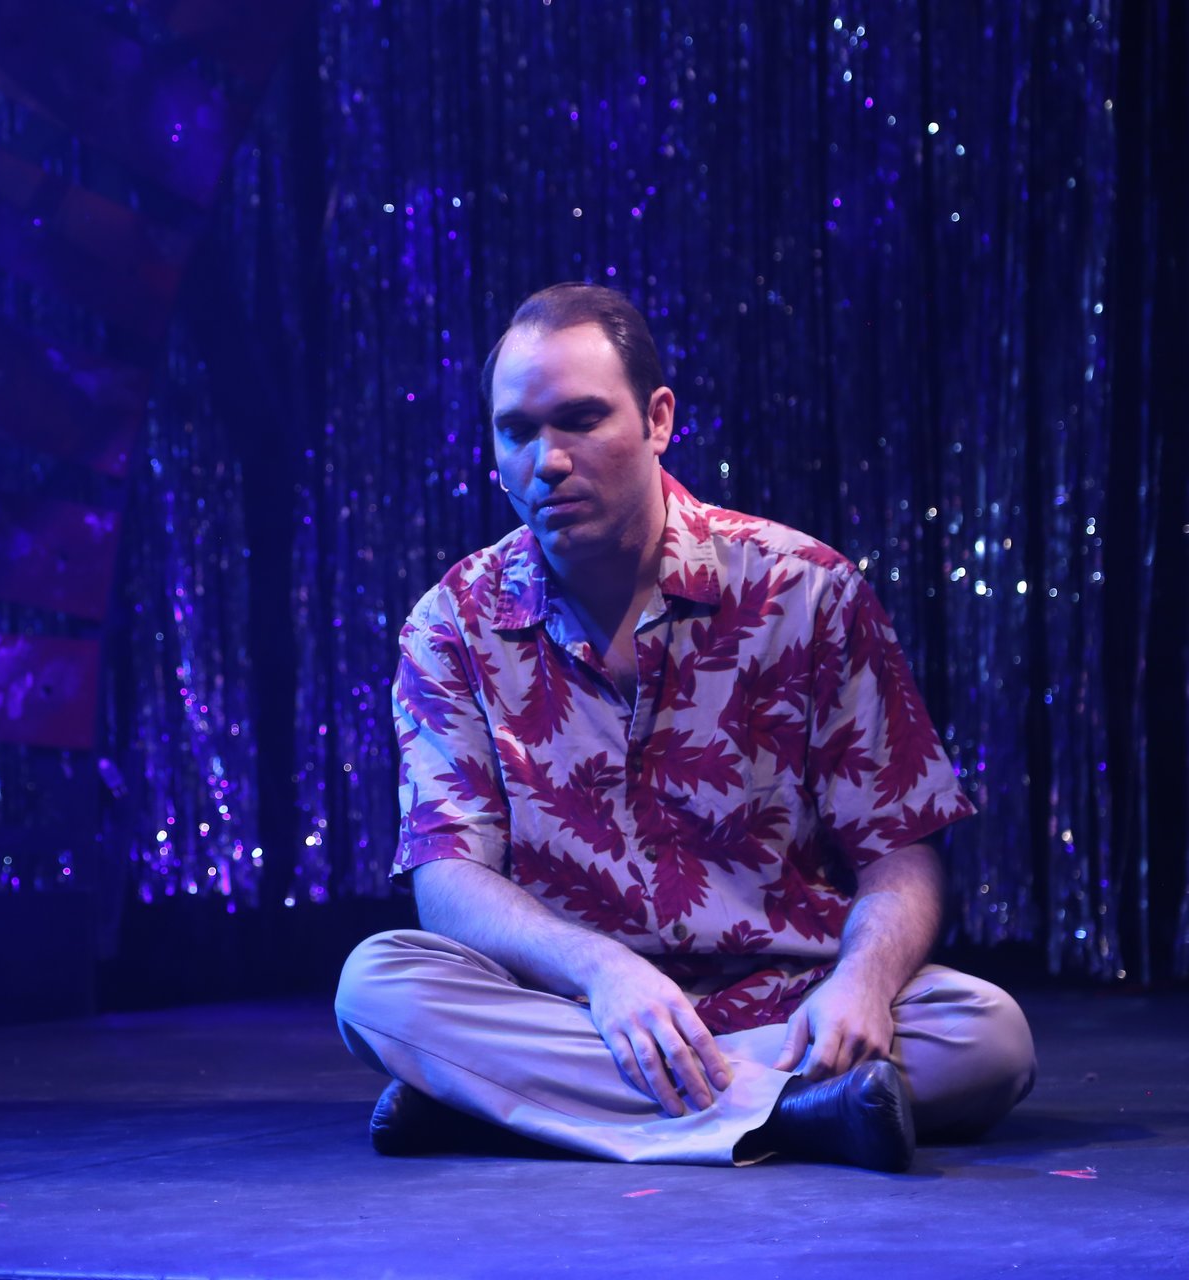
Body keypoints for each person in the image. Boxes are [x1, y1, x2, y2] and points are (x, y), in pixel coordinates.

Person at [333, 283, 1036, 1170]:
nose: (547, 461)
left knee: (988, 1035)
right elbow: (448, 878)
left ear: (658, 419)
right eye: (516, 432)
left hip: (785, 1004)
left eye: (581, 420)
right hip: (572, 1008)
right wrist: (602, 971)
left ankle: (508, 1103)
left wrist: (862, 982)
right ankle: (801, 1113)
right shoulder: (452, 625)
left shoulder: (805, 589)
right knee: (378, 985)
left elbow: (899, 846)